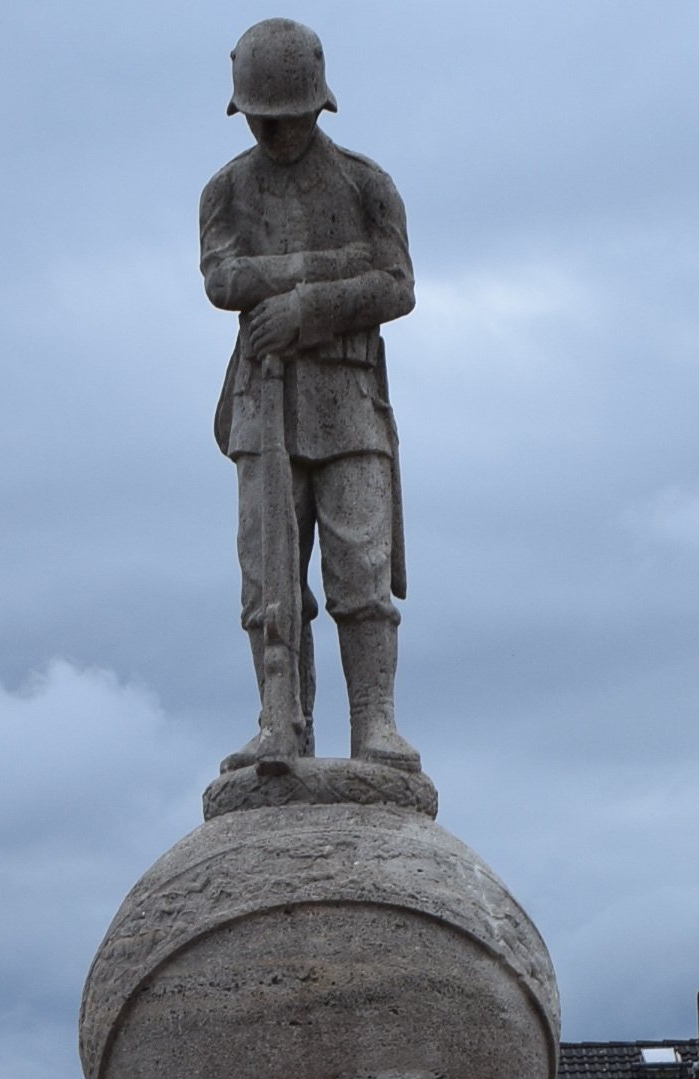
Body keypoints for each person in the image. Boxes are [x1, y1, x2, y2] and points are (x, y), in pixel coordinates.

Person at [200, 18, 419, 774]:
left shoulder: (365, 183)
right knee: (268, 585)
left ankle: (376, 726)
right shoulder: (226, 190)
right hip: (262, 403)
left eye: (287, 118)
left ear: (317, 108)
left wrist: (301, 308)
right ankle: (279, 723)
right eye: (263, 117)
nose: (275, 131)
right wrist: (335, 267)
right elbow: (223, 280)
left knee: (360, 571)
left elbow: (396, 285)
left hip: (349, 403)